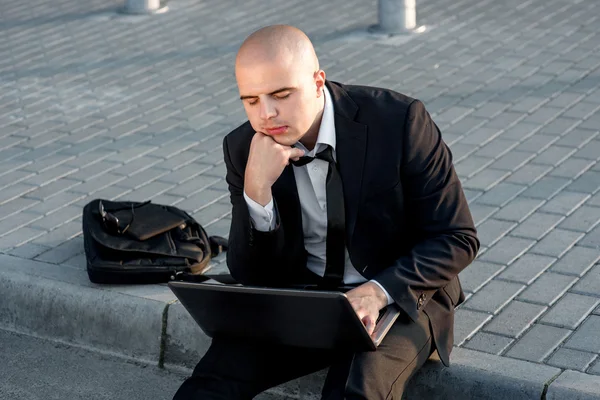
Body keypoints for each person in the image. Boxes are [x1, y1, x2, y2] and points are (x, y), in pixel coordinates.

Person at [174, 24, 479, 400]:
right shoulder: (243, 148)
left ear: (318, 81)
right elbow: (250, 273)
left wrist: (378, 292)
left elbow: (457, 237)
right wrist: (257, 191)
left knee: (354, 390)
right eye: (250, 100)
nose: (266, 114)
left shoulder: (400, 121)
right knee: (212, 381)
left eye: (281, 95)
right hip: (306, 298)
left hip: (399, 298)